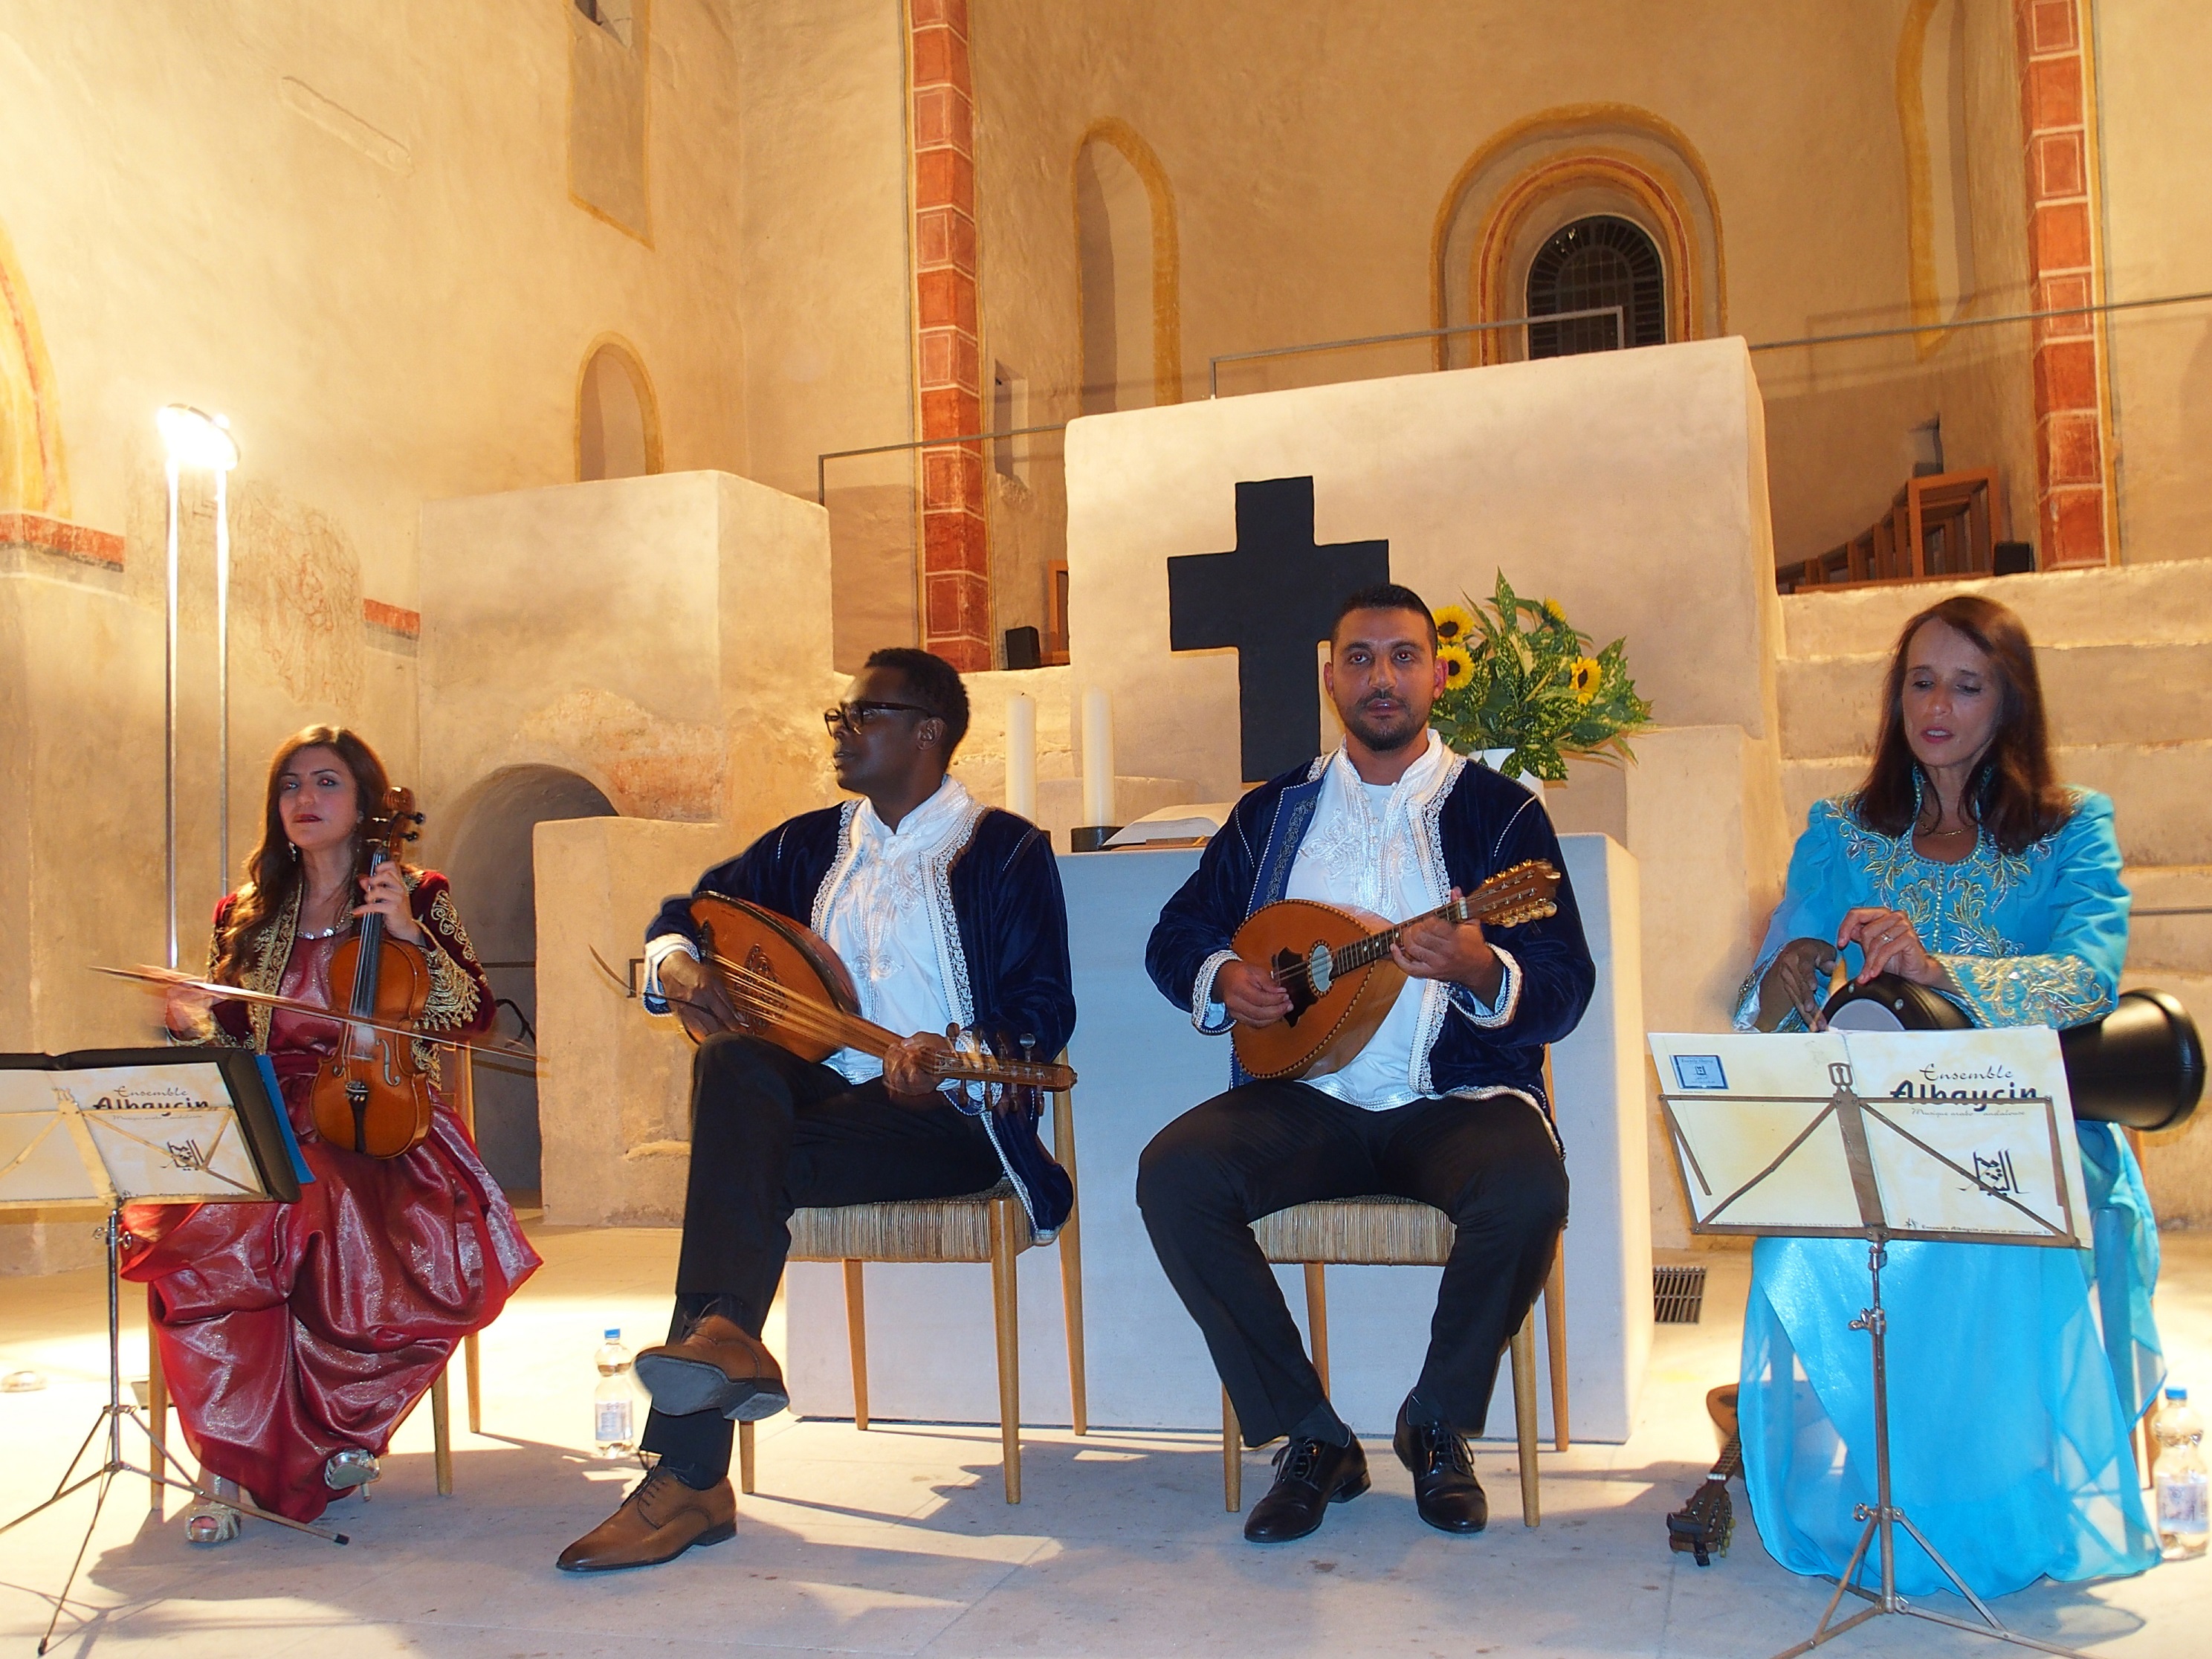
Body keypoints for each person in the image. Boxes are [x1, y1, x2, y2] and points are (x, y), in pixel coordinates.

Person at [557, 647, 1076, 1573]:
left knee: (736, 1171)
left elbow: (1044, 1008)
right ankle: (725, 1350)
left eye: (860, 715)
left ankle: (689, 1476)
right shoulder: (806, 844)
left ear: (927, 731)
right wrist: (675, 965)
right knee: (735, 1061)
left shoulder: (1006, 852)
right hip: (824, 1102)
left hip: (950, 1120)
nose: (839, 733)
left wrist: (955, 1056)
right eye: (838, 718)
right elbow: (685, 911)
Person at [1139, 583, 1595, 1544]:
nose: (1380, 677)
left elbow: (1565, 981)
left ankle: (1435, 1423)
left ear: (1436, 672)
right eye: (1359, 658)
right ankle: (1311, 1438)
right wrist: (1227, 980)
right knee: (1174, 1174)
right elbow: (1176, 932)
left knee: (1525, 1187)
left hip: (1455, 1098)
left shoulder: (1499, 813)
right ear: (1329, 676)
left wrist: (1481, 966)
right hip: (1305, 1098)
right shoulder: (1275, 814)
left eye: (1401, 657)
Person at [1736, 593, 2162, 1596]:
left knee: (1988, 1226)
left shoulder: (2069, 831)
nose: (1938, 704)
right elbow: (1770, 1000)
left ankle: (1991, 1487)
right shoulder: (1842, 833)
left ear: (2008, 703)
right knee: (1806, 1228)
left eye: (1968, 685)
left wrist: (1942, 968)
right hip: (1875, 1126)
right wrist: (1796, 969)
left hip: (2025, 1125)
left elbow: (2088, 977)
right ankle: (1901, 1472)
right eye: (1921, 680)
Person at [123, 725, 540, 1540]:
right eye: (289, 786)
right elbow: (232, 1049)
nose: (303, 802)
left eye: (325, 784)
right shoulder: (245, 912)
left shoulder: (415, 892)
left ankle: (312, 1438)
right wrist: (185, 1021)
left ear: (364, 804)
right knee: (218, 1217)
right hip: (267, 1112)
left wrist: (414, 939)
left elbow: (474, 1017)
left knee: (297, 1208)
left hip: (379, 1120)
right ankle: (233, 1460)